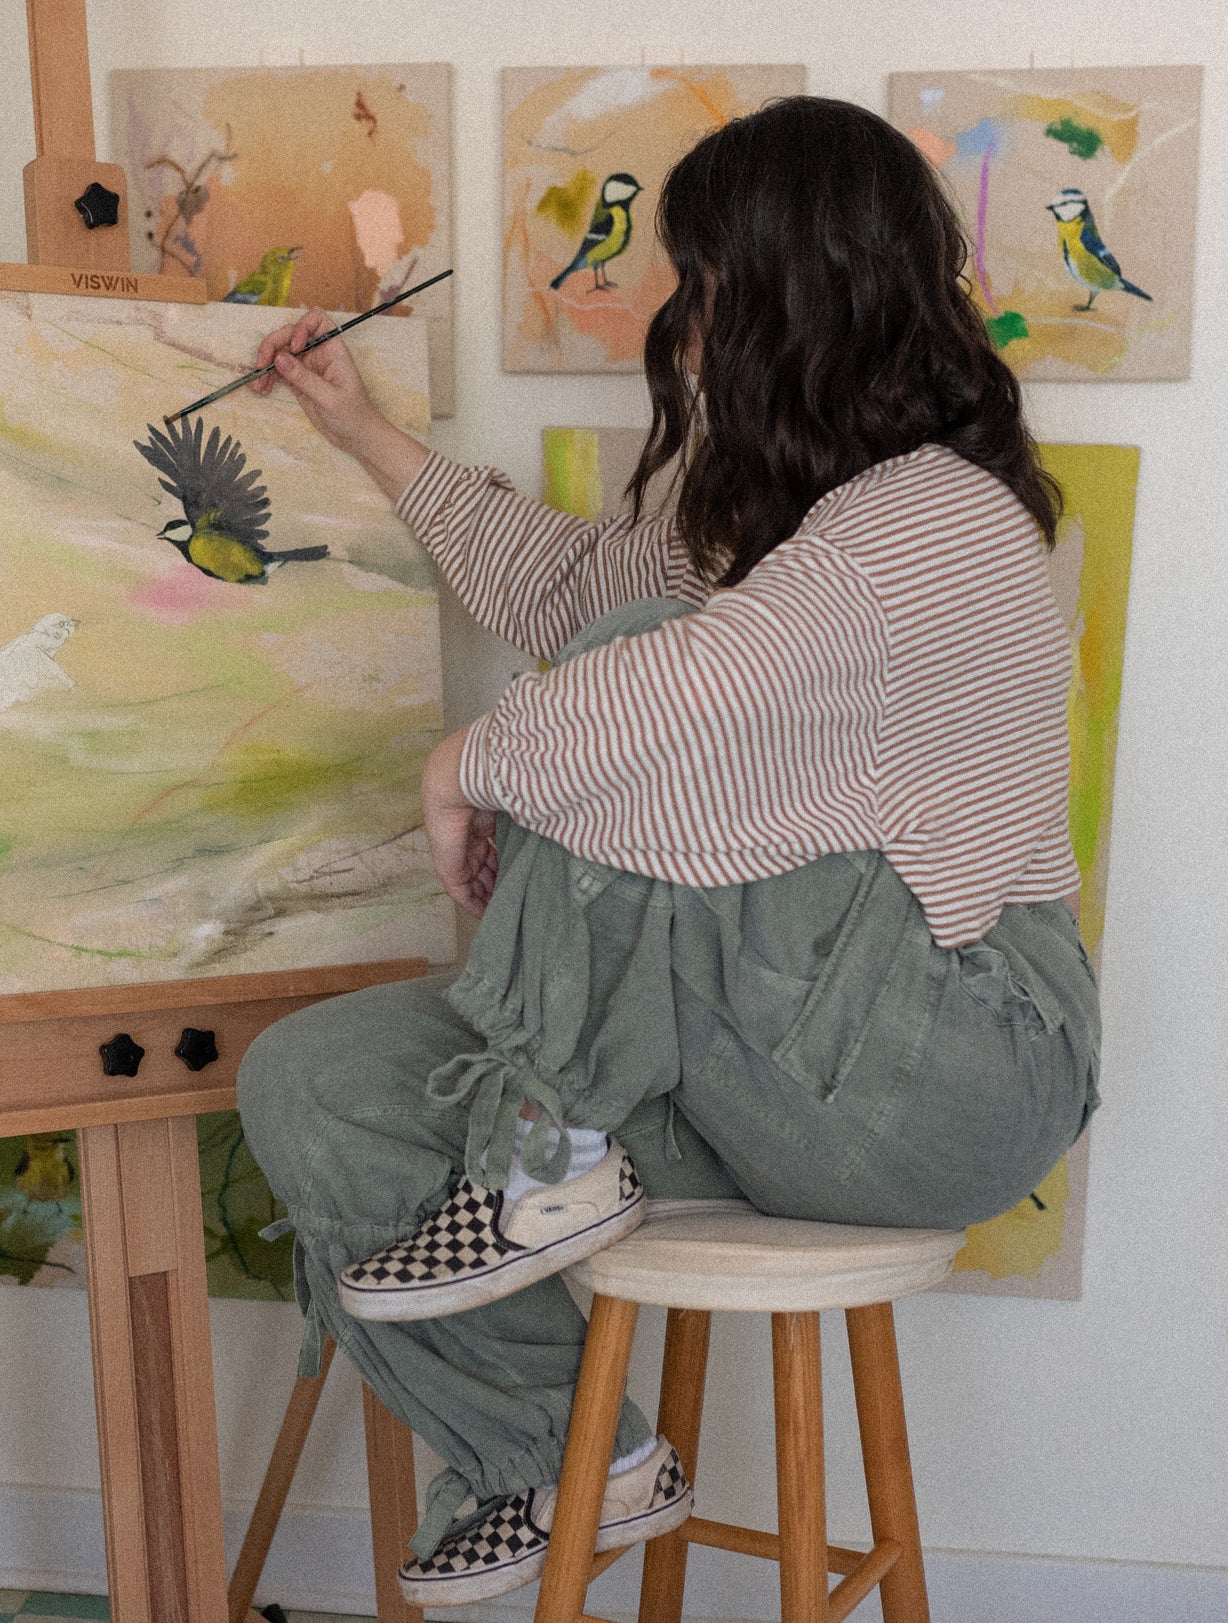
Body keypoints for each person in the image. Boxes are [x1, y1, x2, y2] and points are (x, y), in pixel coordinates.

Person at [235, 95, 1102, 1608]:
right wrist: (362, 431)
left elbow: (671, 696)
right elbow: (568, 589)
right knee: (315, 1083)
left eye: (698, 282)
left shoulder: (939, 523)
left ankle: (547, 1146)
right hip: (769, 1056)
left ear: (784, 297)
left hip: (959, 1060)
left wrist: (464, 764)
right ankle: (556, 1452)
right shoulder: (773, 523)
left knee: (642, 696)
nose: (677, 322)